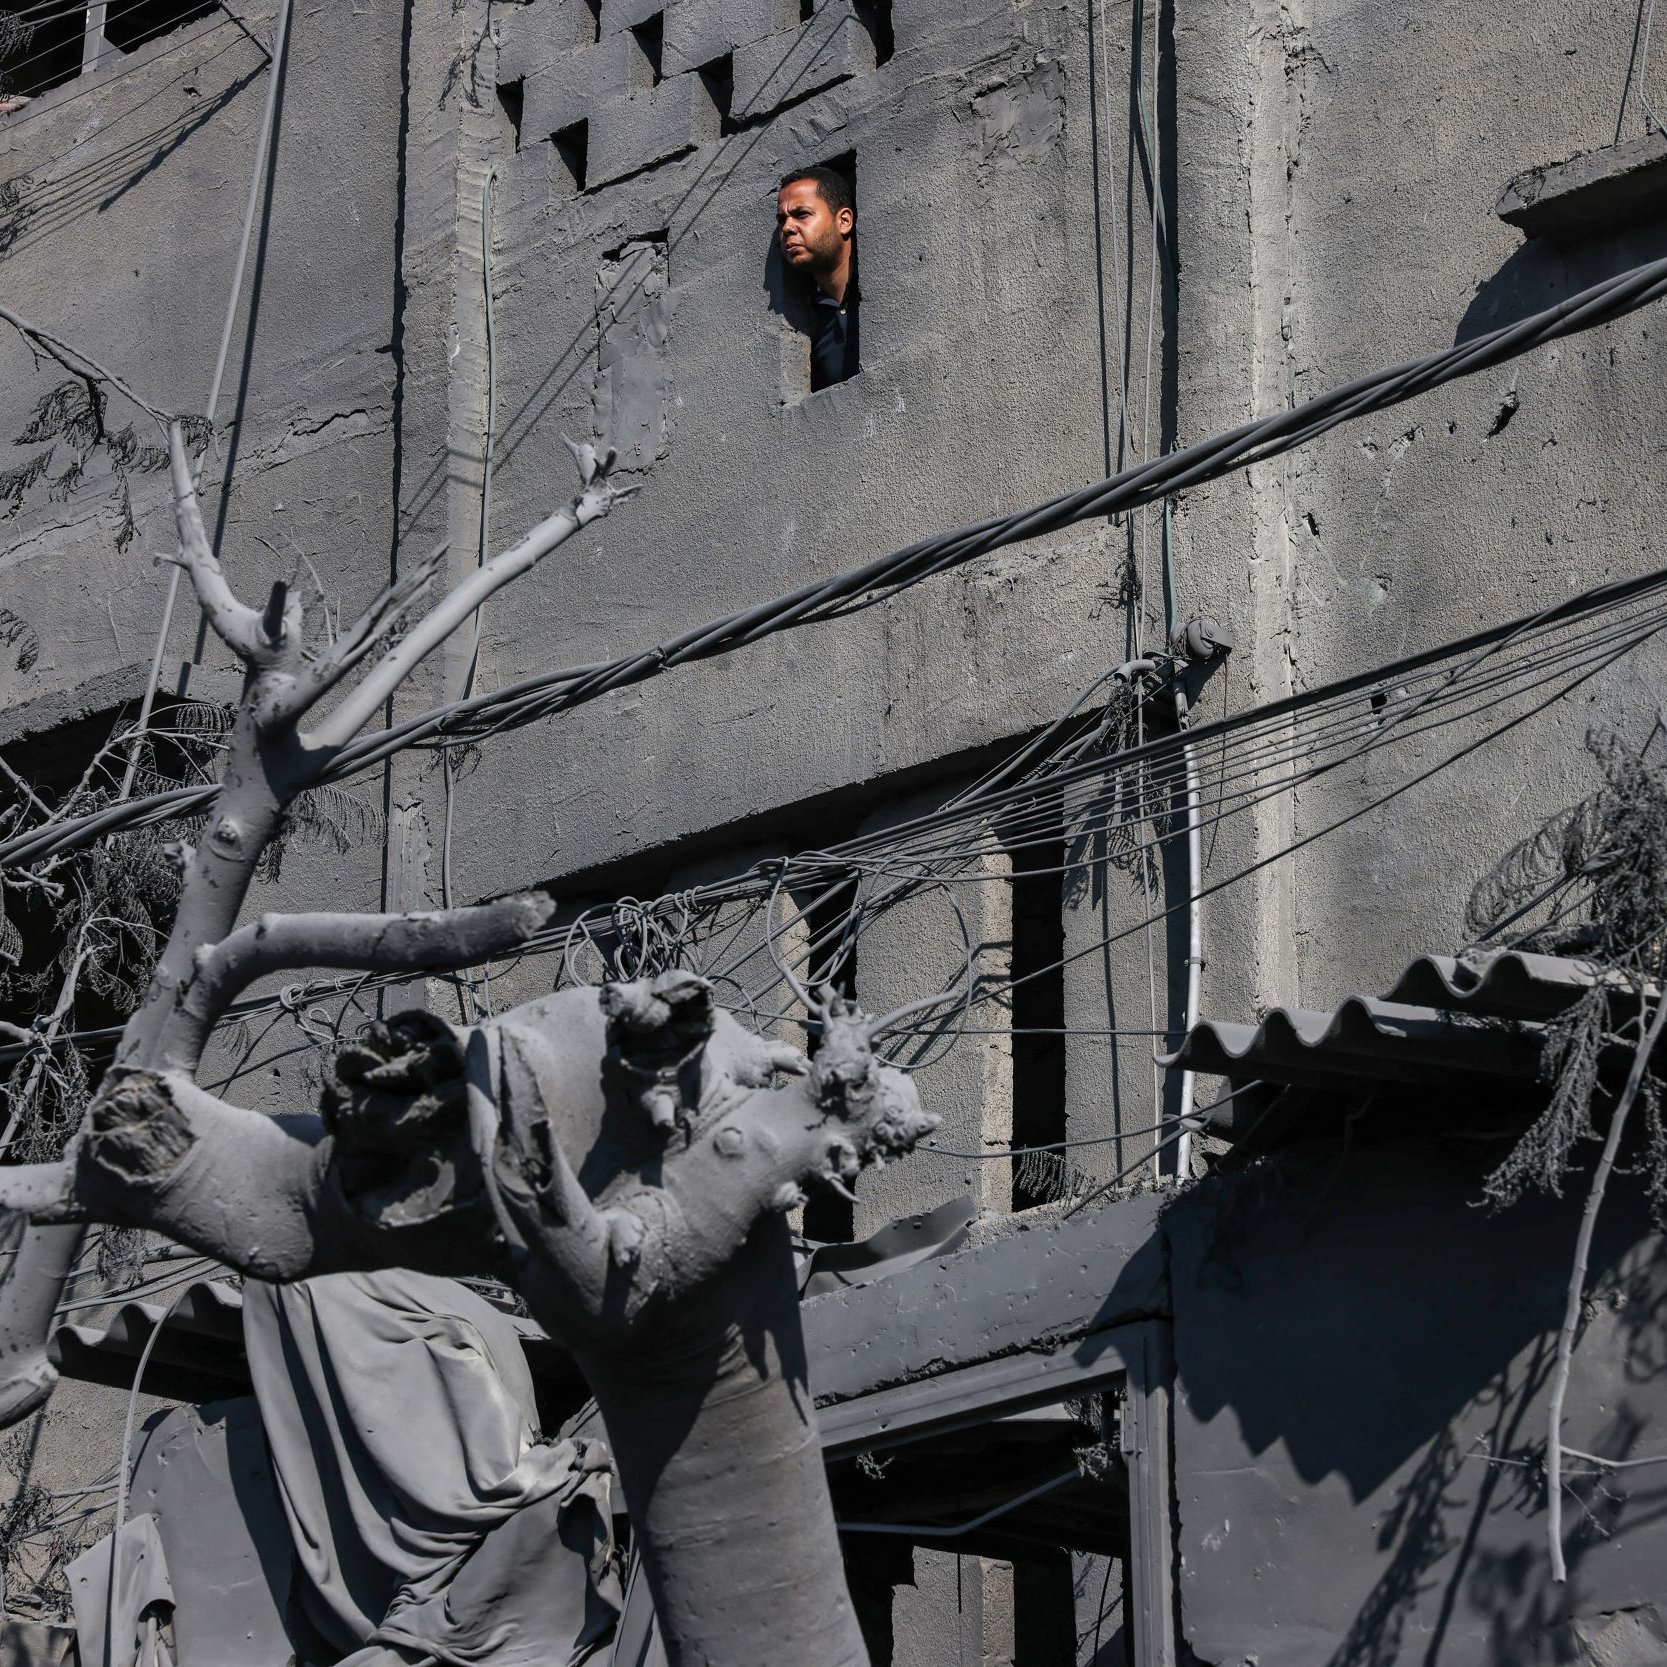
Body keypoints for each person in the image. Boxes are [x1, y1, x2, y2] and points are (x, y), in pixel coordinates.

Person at [776, 165, 859, 391]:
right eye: (781, 220)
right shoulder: (806, 322)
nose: (787, 228)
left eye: (801, 214)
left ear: (844, 221)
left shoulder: (876, 288)